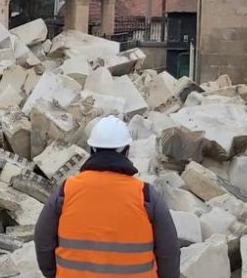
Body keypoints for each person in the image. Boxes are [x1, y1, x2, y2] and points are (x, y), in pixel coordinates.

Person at [34, 116, 180, 278]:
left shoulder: (67, 191)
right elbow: (169, 252)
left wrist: (53, 273)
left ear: (92, 150)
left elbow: (43, 240)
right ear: (126, 151)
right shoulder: (145, 195)